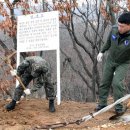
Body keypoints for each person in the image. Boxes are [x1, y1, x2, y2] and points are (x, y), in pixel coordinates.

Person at [95, 12, 130, 115]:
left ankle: (119, 108)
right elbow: (108, 42)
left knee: (117, 83)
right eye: (118, 25)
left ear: (129, 25)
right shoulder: (114, 29)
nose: (119, 28)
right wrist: (102, 51)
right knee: (104, 82)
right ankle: (102, 104)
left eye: (122, 26)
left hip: (124, 62)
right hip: (111, 60)